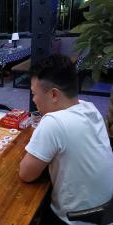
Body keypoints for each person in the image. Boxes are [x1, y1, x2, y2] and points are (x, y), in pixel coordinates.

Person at [19, 54, 113, 225]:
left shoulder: (53, 123)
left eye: (34, 94)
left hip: (73, 220)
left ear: (54, 95)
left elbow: (26, 174)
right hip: (106, 214)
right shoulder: (89, 108)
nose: (33, 100)